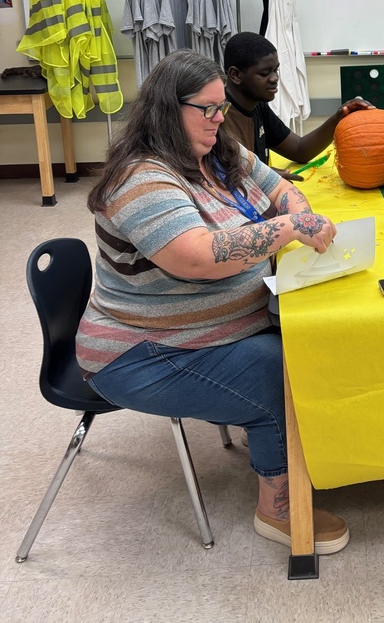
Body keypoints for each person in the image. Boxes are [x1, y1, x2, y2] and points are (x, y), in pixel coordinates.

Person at [75, 49, 349, 555]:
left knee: (311, 339)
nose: (220, 118)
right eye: (208, 108)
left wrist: (293, 211)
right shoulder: (141, 178)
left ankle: (283, 441)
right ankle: (277, 507)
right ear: (167, 110)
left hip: (200, 334)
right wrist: (288, 228)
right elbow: (197, 257)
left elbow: (280, 190)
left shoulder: (216, 151)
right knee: (280, 372)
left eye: (222, 107)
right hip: (142, 353)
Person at [222, 31, 373, 180]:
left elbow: (299, 150)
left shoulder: (258, 107)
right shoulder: (217, 118)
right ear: (235, 75)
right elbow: (224, 179)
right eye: (264, 73)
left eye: (276, 70)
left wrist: (338, 117)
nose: (275, 78)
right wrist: (265, 178)